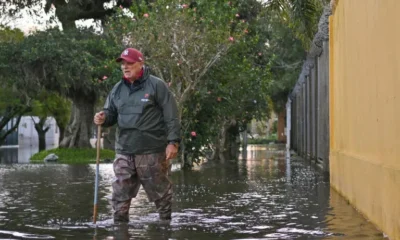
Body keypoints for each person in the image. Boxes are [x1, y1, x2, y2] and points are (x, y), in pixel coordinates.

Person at [93, 48, 181, 222]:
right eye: (123, 64)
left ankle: (165, 226)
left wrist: (173, 142)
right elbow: (110, 113)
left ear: (141, 64)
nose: (125, 67)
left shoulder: (156, 85)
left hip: (151, 150)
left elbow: (171, 116)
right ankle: (119, 227)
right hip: (124, 149)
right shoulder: (117, 89)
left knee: (160, 194)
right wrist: (102, 117)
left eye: (130, 63)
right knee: (120, 194)